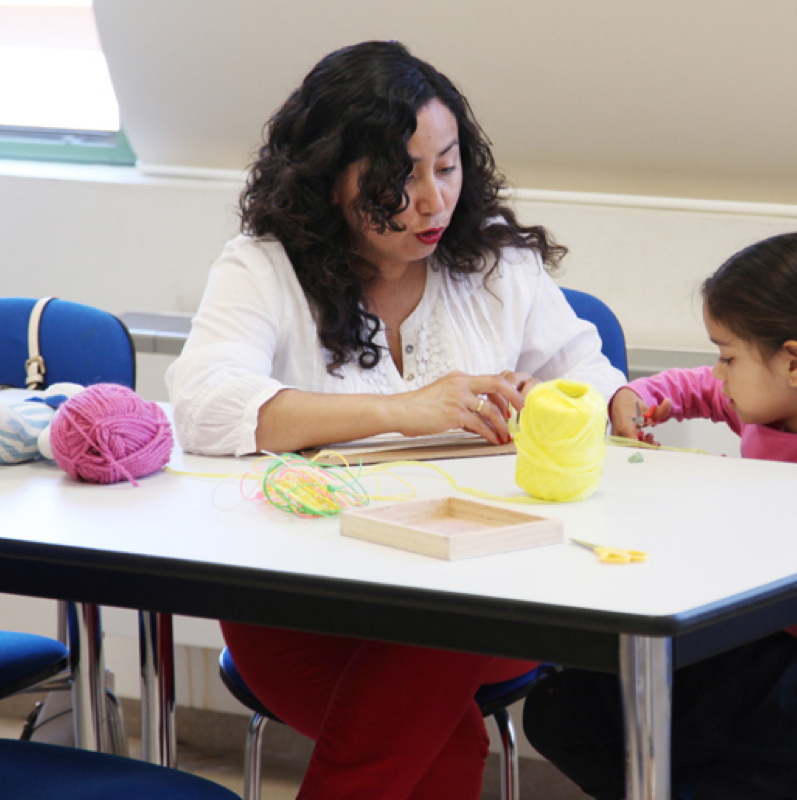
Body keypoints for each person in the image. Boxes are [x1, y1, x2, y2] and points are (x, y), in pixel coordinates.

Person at [166, 41, 625, 800]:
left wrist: (620, 403)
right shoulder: (264, 268)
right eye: (397, 177)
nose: (432, 200)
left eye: (446, 167)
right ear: (327, 179)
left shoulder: (497, 264)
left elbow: (584, 368)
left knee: (448, 631)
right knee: (444, 740)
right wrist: (401, 412)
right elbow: (206, 406)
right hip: (305, 601)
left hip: (485, 589)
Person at [522, 231, 797, 800]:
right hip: (766, 637)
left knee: (677, 727)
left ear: (794, 361)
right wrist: (642, 397)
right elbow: (701, 390)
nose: (719, 372)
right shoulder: (777, 407)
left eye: (728, 356)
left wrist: (724, 539)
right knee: (573, 707)